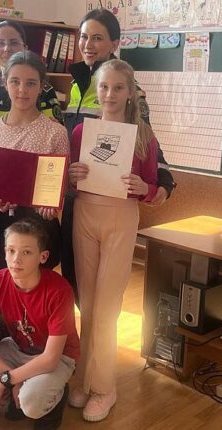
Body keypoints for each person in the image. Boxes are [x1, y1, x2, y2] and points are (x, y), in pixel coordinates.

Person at [67, 59, 159, 422]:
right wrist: (73, 175)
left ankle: (105, 387)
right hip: (85, 214)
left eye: (118, 88)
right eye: (104, 87)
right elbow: (71, 178)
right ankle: (84, 377)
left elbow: (153, 187)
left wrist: (143, 187)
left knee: (107, 306)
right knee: (88, 304)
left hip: (121, 218)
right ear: (97, 89)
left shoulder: (143, 136)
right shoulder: (81, 132)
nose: (109, 94)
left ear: (131, 92)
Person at [60, 8, 175, 297]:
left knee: (104, 289)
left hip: (114, 206)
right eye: (83, 37)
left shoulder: (126, 86)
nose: (88, 44)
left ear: (114, 43)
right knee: (75, 279)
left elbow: (146, 139)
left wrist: (164, 182)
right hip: (79, 200)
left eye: (97, 38)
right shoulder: (77, 83)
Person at [0, 219, 79, 430]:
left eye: (26, 252)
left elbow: (50, 359)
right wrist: (9, 377)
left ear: (43, 257)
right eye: (11, 250)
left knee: (32, 404)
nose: (16, 259)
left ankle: (55, 396)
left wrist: (5, 380)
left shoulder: (59, 290)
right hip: (17, 347)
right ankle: (23, 384)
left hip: (58, 356)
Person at [0, 51, 69, 275]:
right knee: (3, 277)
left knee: (40, 280)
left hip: (39, 221)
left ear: (42, 86)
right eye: (15, 81)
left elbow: (60, 184)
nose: (22, 89)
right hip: (1, 218)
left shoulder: (55, 132)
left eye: (31, 83)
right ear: (5, 83)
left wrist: (52, 204)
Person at [0, 20, 63, 124]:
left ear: (25, 48)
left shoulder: (44, 91)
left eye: (13, 43)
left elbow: (54, 128)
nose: (7, 48)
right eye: (0, 43)